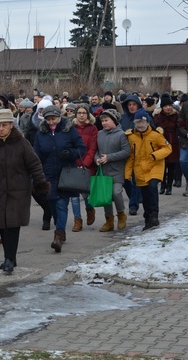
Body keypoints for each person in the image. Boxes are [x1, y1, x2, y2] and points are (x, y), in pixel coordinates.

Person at [0, 110, 48, 274]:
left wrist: (40, 182)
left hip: (18, 191)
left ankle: (8, 258)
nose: (1, 129)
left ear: (11, 125)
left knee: (13, 224)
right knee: (1, 223)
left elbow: (34, 164)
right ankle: (11, 257)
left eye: (4, 125)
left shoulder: (22, 143)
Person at [32, 105, 86, 252]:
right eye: (48, 119)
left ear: (59, 117)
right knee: (53, 205)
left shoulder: (69, 130)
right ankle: (60, 229)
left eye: (53, 118)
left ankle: (58, 235)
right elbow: (35, 155)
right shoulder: (41, 134)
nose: (51, 122)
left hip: (66, 173)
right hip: (48, 174)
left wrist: (70, 154)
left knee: (61, 204)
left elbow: (82, 148)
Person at [125, 110, 171, 230]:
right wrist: (127, 174)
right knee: (145, 195)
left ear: (147, 122)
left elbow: (167, 148)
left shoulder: (155, 135)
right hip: (140, 169)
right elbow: (131, 157)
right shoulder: (131, 137)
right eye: (137, 122)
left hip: (155, 165)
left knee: (152, 187)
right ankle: (148, 218)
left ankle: (154, 215)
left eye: (142, 122)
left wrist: (156, 155)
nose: (140, 125)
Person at [95, 109, 131, 231]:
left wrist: (109, 158)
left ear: (114, 121)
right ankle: (108, 220)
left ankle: (121, 214)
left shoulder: (121, 134)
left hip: (117, 170)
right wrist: (97, 159)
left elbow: (126, 152)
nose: (104, 123)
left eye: (106, 120)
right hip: (104, 171)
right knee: (106, 196)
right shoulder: (100, 134)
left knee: (116, 192)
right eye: (102, 121)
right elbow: (97, 151)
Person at [70, 103, 97, 231]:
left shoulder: (92, 129)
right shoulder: (70, 128)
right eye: (79, 113)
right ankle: (77, 220)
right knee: (74, 196)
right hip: (73, 165)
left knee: (86, 195)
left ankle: (90, 209)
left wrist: (85, 164)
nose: (81, 115)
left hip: (87, 166)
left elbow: (92, 149)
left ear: (88, 114)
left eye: (83, 113)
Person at [153, 93, 181, 195]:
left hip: (173, 142)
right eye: (165, 106)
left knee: (172, 166)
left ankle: (169, 186)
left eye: (169, 105)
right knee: (162, 166)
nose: (168, 108)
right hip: (161, 143)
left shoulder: (176, 116)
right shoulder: (157, 117)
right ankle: (163, 185)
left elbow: (180, 128)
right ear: (162, 107)